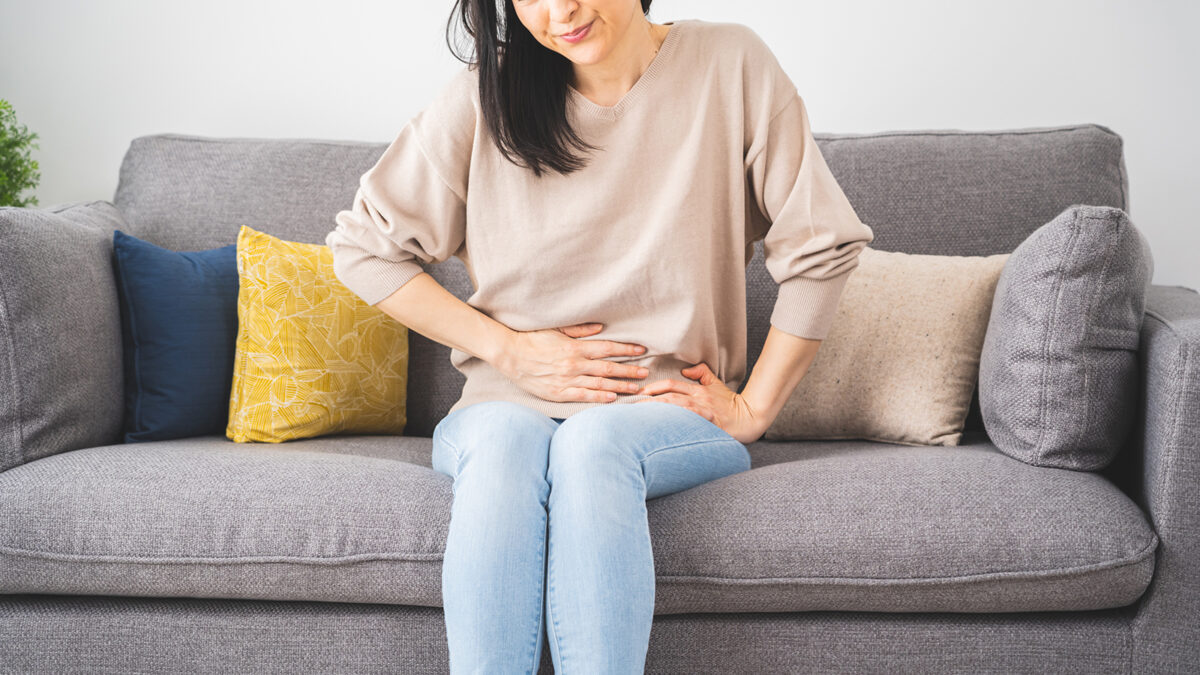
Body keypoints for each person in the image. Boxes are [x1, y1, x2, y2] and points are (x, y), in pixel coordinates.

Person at [325, 1, 875, 672]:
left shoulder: (732, 65)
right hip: (503, 402)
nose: (560, 12)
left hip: (667, 408)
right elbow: (362, 248)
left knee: (591, 442)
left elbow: (823, 246)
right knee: (502, 444)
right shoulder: (484, 97)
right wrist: (510, 350)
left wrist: (756, 406)